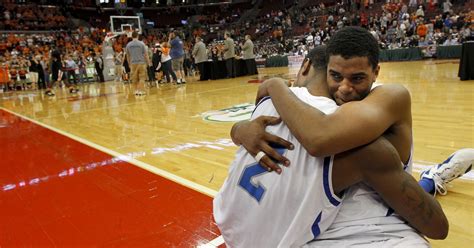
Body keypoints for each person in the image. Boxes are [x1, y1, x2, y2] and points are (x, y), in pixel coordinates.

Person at [230, 27, 473, 246]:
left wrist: (273, 86)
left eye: (357, 78)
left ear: (376, 71)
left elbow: (319, 138)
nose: (345, 88)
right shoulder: (320, 106)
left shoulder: (389, 96)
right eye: (336, 76)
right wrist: (240, 129)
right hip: (328, 220)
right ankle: (429, 180)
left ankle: (431, 180)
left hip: (383, 212)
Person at [125, 31, 150, 95]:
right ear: (137, 36)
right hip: (141, 63)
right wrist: (148, 62)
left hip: (133, 63)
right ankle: (141, 91)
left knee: (134, 78)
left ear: (131, 36)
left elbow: (127, 55)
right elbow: (145, 54)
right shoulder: (141, 44)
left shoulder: (128, 45)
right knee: (142, 77)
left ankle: (136, 91)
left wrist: (129, 64)